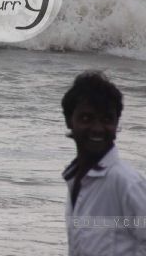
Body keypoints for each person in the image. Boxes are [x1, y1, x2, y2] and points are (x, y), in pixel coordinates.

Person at [61, 71, 146, 255]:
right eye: (87, 118)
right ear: (69, 120)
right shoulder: (76, 178)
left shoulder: (126, 182)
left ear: (116, 124)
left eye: (107, 119)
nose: (98, 128)